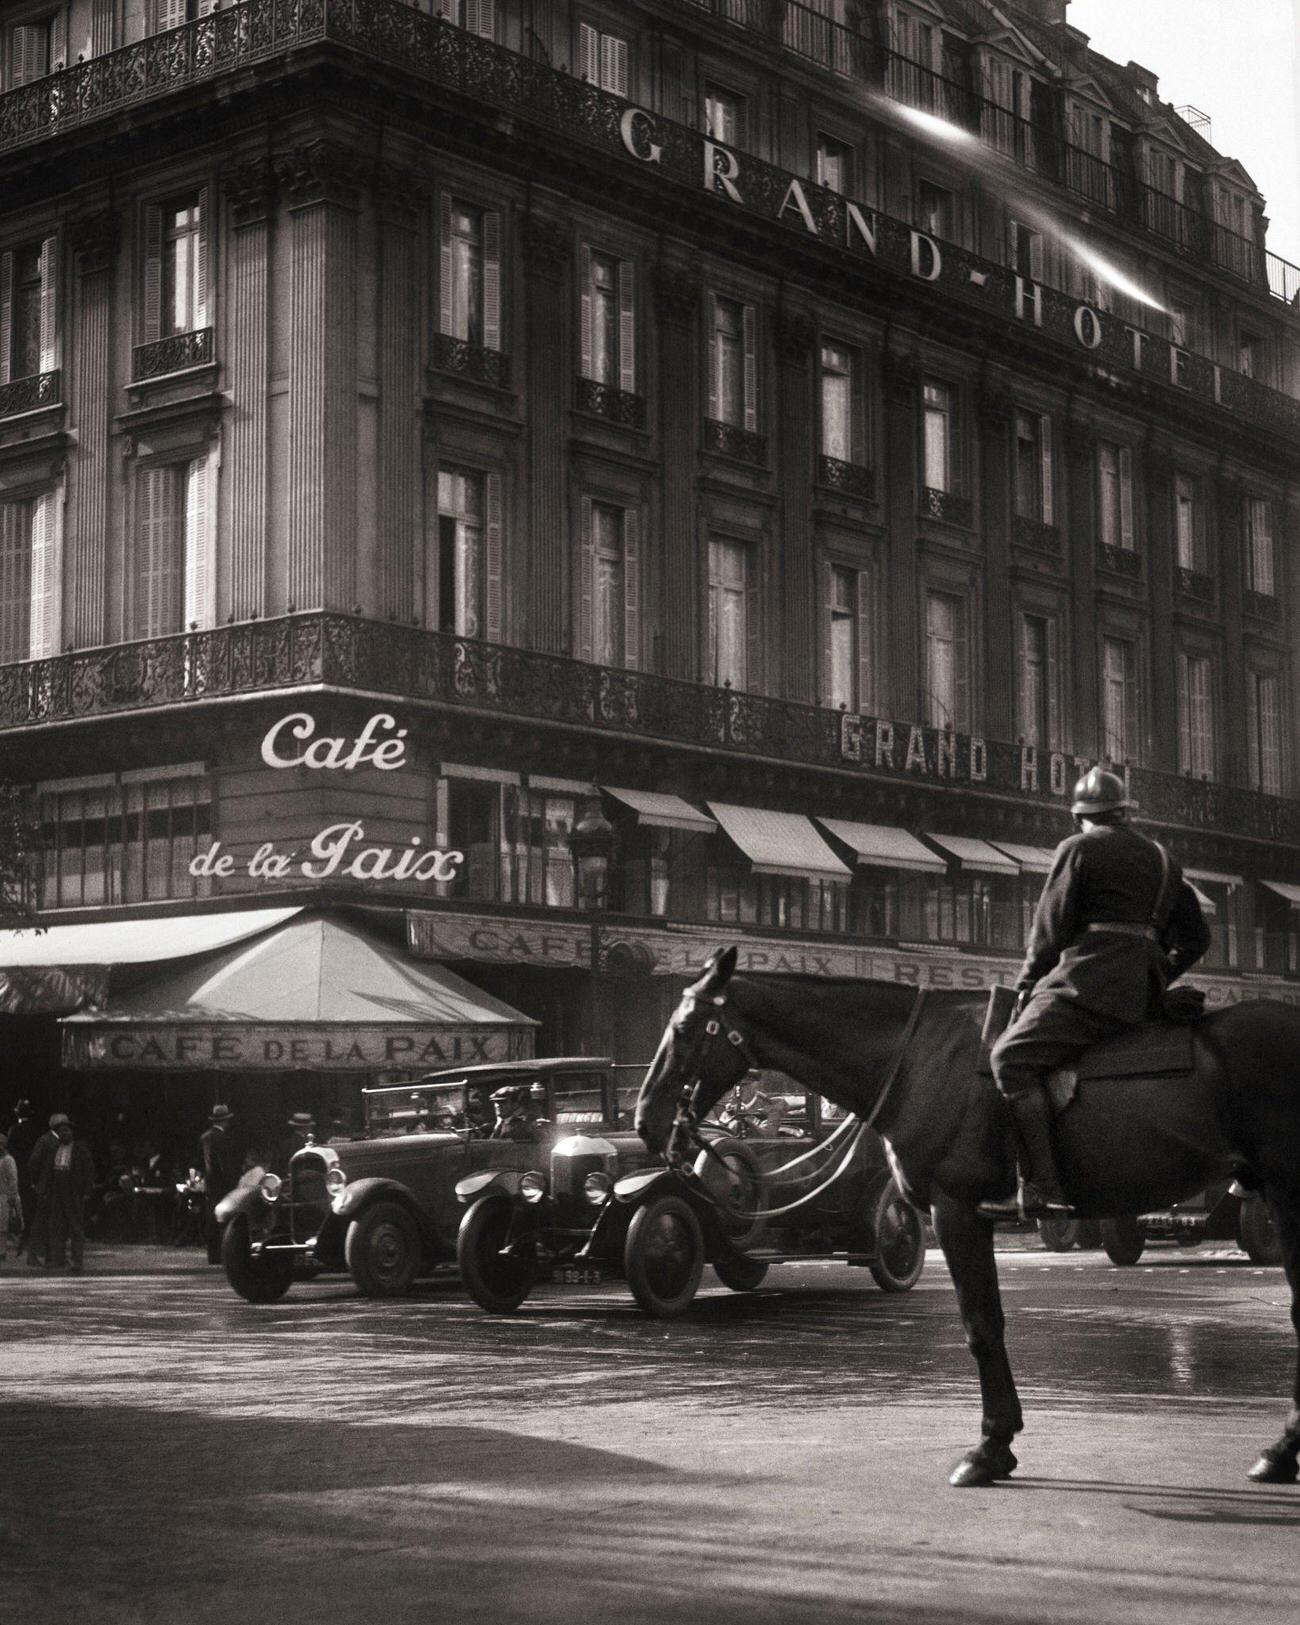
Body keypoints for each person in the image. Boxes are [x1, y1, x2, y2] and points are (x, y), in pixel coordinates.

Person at [983, 767, 1212, 1220]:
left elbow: (1050, 931)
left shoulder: (1078, 848)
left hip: (1087, 986)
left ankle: (1043, 1186)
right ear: (1125, 812)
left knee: (1009, 1059)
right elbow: (1197, 938)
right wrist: (1157, 974)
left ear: (1079, 817)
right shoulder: (1164, 859)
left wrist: (1027, 986)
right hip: (1143, 993)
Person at [35, 1114, 96, 1272]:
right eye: (61, 1132)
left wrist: (87, 1191)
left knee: (75, 1226)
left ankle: (77, 1260)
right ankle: (58, 1259)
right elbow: (48, 1171)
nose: (64, 1134)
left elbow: (89, 1171)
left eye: (67, 1131)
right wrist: (44, 1189)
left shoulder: (80, 1149)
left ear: (72, 1133)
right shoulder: (54, 1149)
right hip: (57, 1191)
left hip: (73, 1192)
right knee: (57, 1226)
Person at [199, 1105, 239, 1265]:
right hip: (223, 1184)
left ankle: (213, 1254)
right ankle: (223, 1253)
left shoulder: (205, 1137)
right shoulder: (223, 1139)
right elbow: (225, 1165)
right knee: (225, 1219)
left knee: (212, 1218)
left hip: (210, 1183)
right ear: (226, 1121)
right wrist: (233, 1182)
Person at [6, 1100, 43, 1261]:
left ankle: (24, 1240)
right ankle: (31, 1242)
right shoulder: (37, 1131)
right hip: (35, 1175)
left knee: (21, 1209)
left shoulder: (14, 1130)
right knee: (33, 1210)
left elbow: (11, 1154)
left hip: (19, 1173)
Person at [0, 1131, 20, 1265]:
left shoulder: (8, 1160)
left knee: (3, 1227)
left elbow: (13, 1180)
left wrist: (12, 1197)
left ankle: (2, 1251)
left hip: (4, 1197)